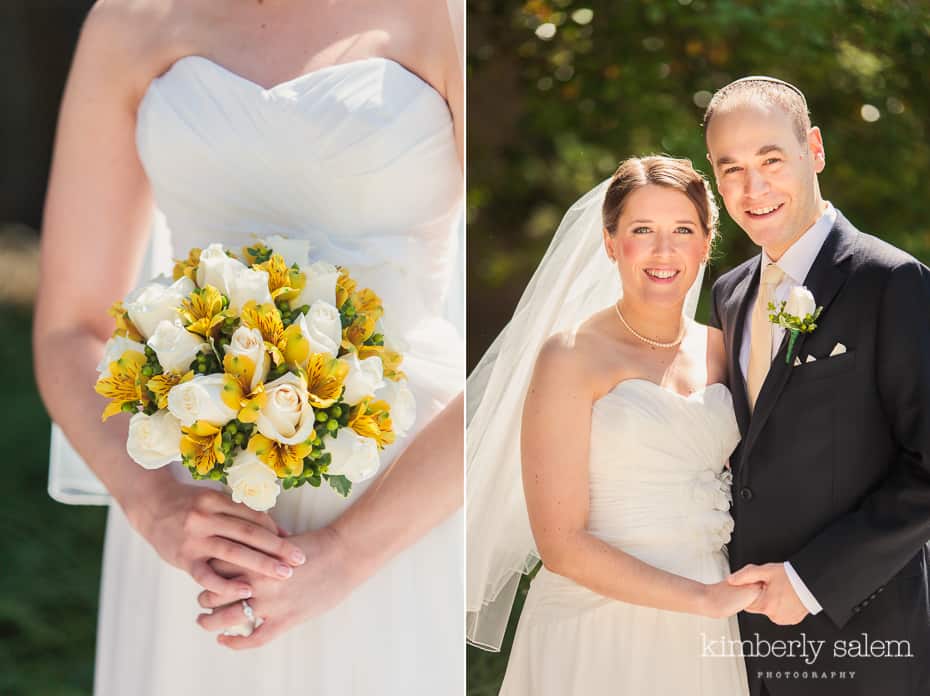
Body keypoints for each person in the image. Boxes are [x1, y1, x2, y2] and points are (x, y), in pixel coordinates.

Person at [32, 1, 464, 694]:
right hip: (196, 522)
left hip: (404, 501)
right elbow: (70, 328)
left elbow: (516, 347)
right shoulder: (131, 20)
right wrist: (155, 505)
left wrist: (344, 558)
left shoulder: (446, 17)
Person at [467, 156, 757, 694]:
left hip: (704, 625)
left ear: (705, 242)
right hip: (596, 621)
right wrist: (702, 599)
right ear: (609, 242)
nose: (663, 251)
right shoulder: (572, 356)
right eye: (642, 230)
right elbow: (559, 544)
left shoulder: (725, 352)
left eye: (682, 231)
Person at [705, 76, 930, 696]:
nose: (753, 189)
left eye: (771, 160)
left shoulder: (894, 283)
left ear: (816, 150)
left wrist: (809, 581)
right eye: (732, 170)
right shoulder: (728, 294)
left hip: (864, 640)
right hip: (746, 644)